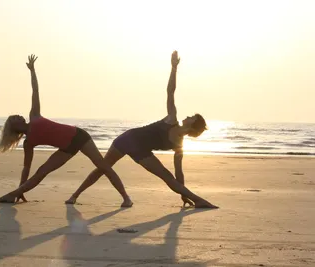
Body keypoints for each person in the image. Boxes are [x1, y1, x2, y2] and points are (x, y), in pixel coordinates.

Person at [65, 51, 217, 209]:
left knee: (167, 176)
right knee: (103, 168)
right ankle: (75, 195)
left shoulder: (179, 144)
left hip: (142, 152)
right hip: (128, 139)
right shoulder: (171, 119)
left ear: (193, 125)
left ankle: (197, 199)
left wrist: (183, 193)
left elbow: (179, 173)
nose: (188, 116)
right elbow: (170, 92)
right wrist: (173, 68)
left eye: (192, 117)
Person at [0, 54, 133, 207]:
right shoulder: (28, 143)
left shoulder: (34, 116)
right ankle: (14, 194)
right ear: (14, 128)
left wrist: (32, 71)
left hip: (79, 136)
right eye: (14, 118)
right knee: (41, 172)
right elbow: (26, 167)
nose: (18, 116)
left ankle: (126, 198)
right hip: (66, 148)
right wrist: (21, 188)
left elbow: (35, 91)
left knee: (103, 166)